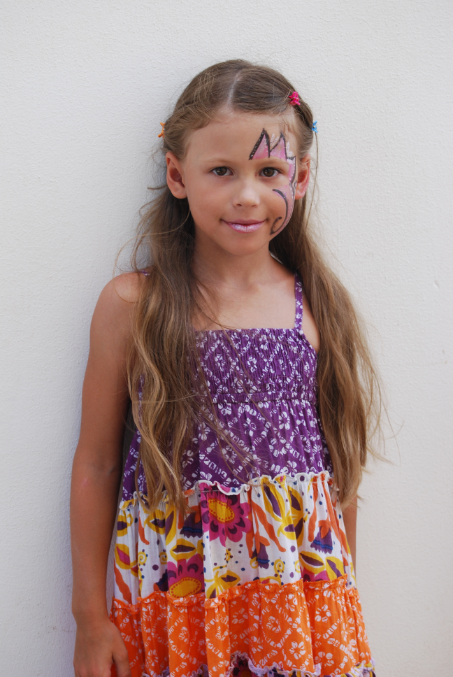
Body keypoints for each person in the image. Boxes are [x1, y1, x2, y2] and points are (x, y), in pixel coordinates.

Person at [71, 59, 381, 677]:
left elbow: (339, 474)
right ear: (176, 174)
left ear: (301, 177)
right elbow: (98, 463)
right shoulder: (134, 305)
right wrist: (89, 619)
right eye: (221, 171)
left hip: (297, 607)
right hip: (178, 597)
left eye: (269, 171)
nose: (247, 195)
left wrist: (341, 603)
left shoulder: (318, 307)